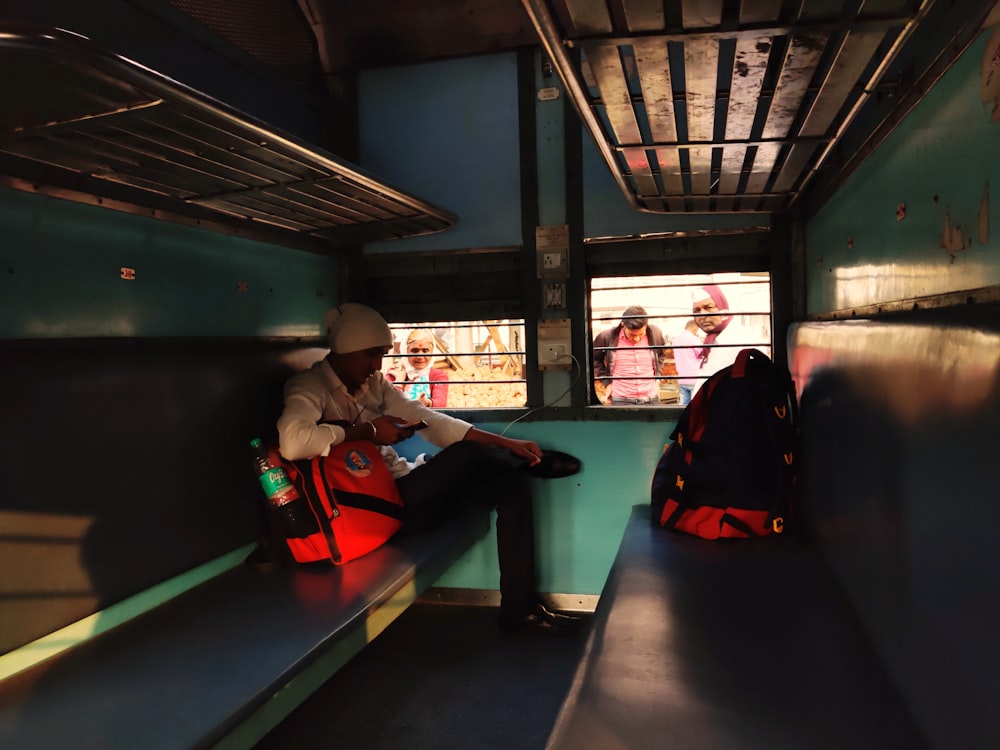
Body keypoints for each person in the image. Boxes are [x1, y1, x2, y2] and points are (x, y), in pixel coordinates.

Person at [277, 303, 583, 635]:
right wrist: (368, 432)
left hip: (404, 493)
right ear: (346, 349)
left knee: (511, 488)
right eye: (370, 354)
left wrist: (507, 443)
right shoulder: (309, 387)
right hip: (375, 511)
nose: (377, 364)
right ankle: (528, 464)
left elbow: (431, 422)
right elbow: (293, 443)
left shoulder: (373, 384)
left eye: (382, 354)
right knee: (467, 455)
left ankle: (519, 609)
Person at [592, 305, 668, 404]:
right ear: (623, 324)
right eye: (632, 335)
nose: (636, 339)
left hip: (651, 398)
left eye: (641, 334)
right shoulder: (606, 337)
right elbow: (594, 359)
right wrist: (608, 383)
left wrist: (657, 378)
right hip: (621, 400)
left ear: (646, 325)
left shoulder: (655, 334)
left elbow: (661, 355)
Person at [691, 284, 760, 377]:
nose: (702, 315)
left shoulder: (741, 338)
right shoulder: (710, 342)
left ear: (721, 307)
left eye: (708, 307)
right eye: (697, 310)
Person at [386, 328, 449, 407]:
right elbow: (388, 404)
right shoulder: (393, 374)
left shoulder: (438, 376)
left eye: (425, 350)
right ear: (405, 351)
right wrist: (399, 382)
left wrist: (427, 403)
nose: (420, 356)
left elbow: (441, 403)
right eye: (414, 350)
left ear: (432, 352)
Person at [671, 319, 704, 405]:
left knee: (683, 407)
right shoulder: (694, 339)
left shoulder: (676, 340)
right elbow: (703, 355)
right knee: (695, 406)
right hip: (694, 377)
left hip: (682, 378)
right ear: (695, 328)